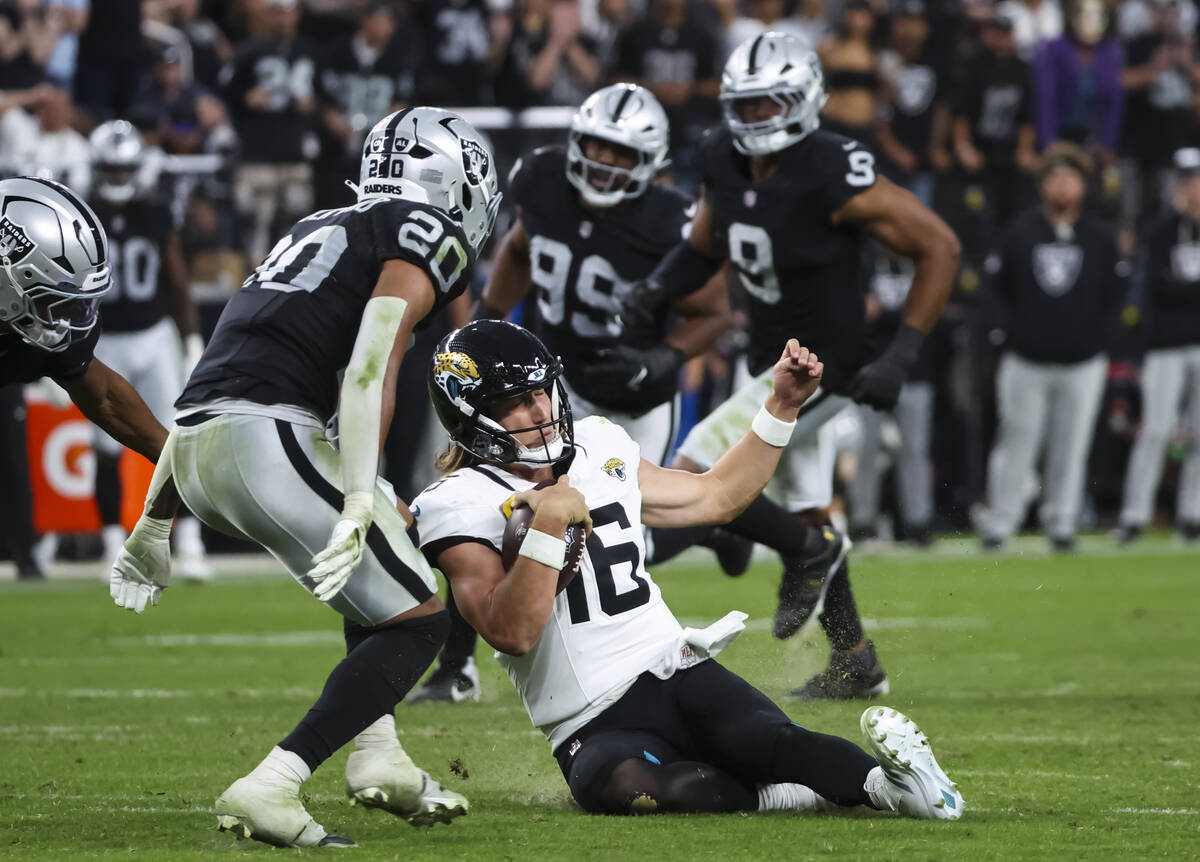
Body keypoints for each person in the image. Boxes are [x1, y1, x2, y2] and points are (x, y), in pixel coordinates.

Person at [110, 108, 502, 848]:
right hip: (266, 439)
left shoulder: (317, 224)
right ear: (454, 184)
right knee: (422, 618)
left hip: (197, 448)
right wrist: (359, 487)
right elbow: (374, 358)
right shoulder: (422, 233)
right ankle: (275, 782)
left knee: (384, 558)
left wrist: (156, 520)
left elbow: (210, 377)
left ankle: (379, 756)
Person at [412, 319, 964, 820]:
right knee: (631, 791)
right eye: (516, 402)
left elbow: (716, 497)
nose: (539, 412)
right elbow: (512, 631)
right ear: (468, 413)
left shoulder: (598, 444)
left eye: (541, 393)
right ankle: (788, 795)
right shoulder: (454, 503)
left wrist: (782, 409)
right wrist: (549, 525)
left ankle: (900, 787)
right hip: (586, 720)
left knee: (770, 740)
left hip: (674, 670)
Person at [625, 31, 960, 699]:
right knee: (806, 513)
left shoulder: (833, 169)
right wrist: (656, 288)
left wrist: (900, 354)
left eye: (767, 105)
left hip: (824, 365)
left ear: (803, 100)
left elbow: (940, 246)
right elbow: (703, 244)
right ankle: (855, 660)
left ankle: (797, 551)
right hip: (769, 361)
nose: (753, 120)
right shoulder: (719, 156)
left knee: (697, 472)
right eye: (743, 107)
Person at [409, 82, 735, 703]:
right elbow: (520, 247)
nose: (604, 164)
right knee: (483, 515)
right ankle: (456, 668)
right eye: (596, 147)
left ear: (651, 161)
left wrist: (660, 357)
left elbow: (718, 311)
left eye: (621, 154)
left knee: (619, 537)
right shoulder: (543, 180)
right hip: (544, 389)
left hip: (630, 398)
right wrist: (493, 313)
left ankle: (718, 530)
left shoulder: (670, 221)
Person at [0, 176, 171, 541]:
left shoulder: (35, 331)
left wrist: (176, 459)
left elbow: (104, 396)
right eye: (55, 298)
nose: (68, 316)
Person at [979, 142, 1123, 551]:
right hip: (1025, 359)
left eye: (1071, 178)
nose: (1062, 186)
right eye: (1054, 177)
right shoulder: (1018, 233)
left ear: (1083, 186)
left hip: (1082, 360)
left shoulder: (1099, 237)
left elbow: (1116, 295)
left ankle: (1061, 522)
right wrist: (1006, 336)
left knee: (1071, 444)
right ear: (1042, 185)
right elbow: (996, 292)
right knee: (1016, 440)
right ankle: (1001, 523)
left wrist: (1099, 340)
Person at [87, 119, 209, 578]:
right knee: (105, 446)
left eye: (124, 169)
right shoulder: (86, 209)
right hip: (103, 339)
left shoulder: (155, 211)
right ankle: (111, 546)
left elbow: (176, 279)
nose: (118, 176)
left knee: (177, 442)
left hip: (153, 332)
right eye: (111, 169)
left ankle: (190, 543)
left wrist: (189, 337)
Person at [1116, 147, 1200, 543]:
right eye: (1186, 181)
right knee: (1155, 430)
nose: (1192, 188)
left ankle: (1193, 514)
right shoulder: (1160, 231)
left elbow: (1172, 286)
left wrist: (1179, 288)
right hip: (1164, 345)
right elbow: (1155, 288)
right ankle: (1134, 515)